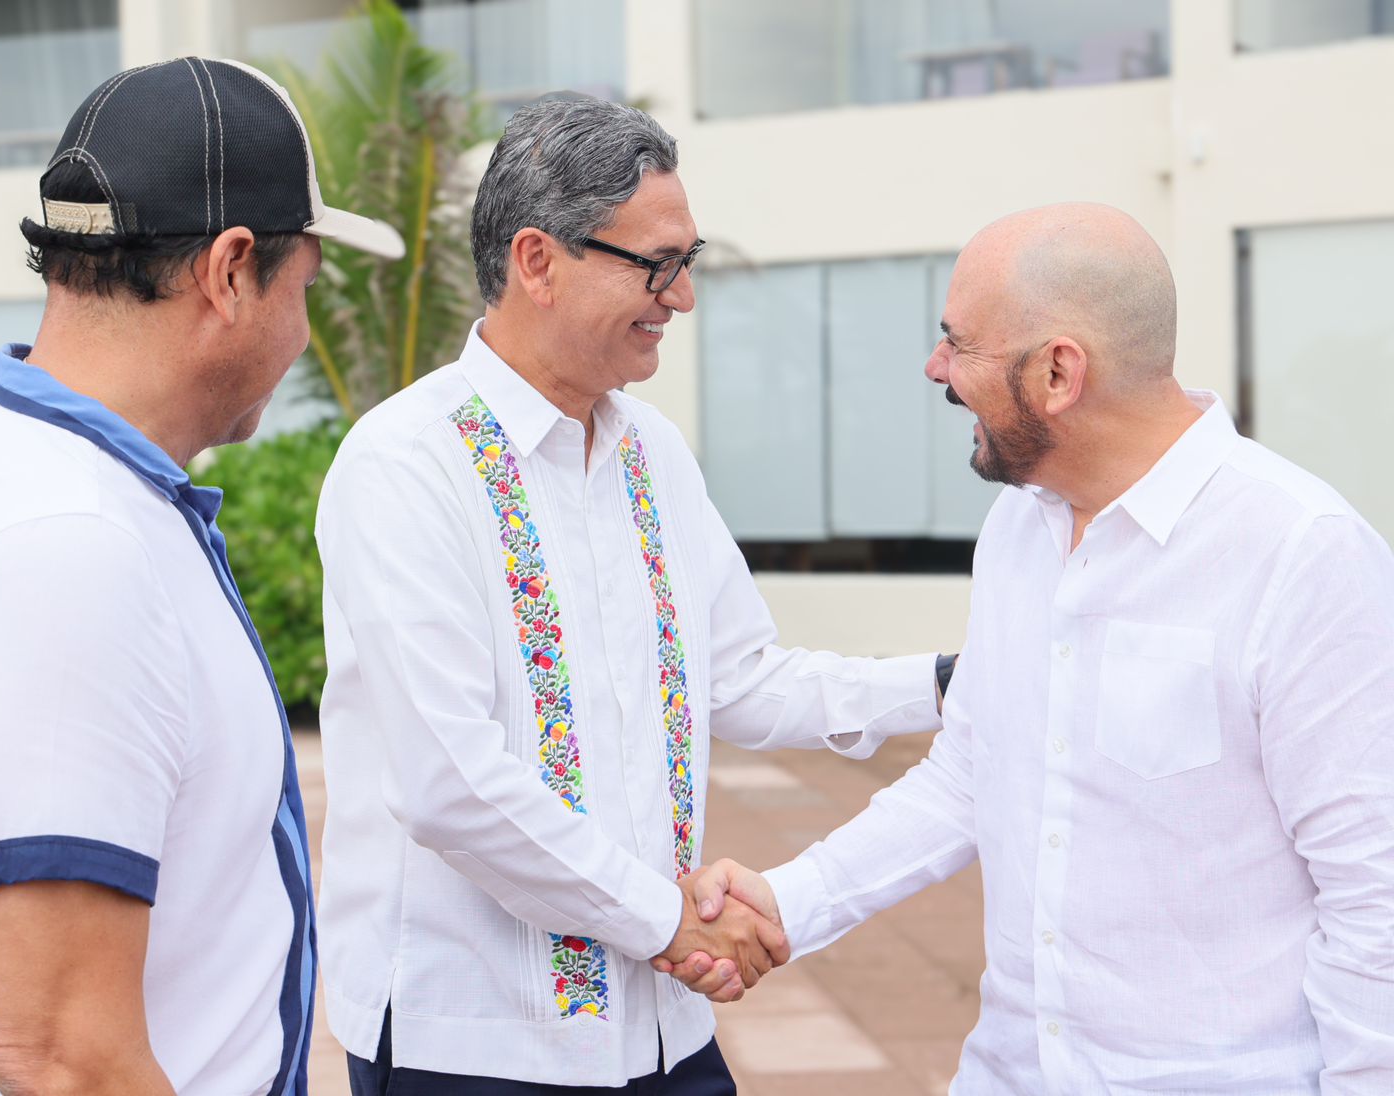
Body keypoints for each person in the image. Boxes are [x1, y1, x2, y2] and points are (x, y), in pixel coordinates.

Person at [665, 203, 1394, 1093]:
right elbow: (972, 771)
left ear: (1058, 371)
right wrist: (786, 903)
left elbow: (1377, 896)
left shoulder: (1301, 554)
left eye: (957, 343)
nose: (935, 369)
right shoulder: (1019, 526)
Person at [311, 95, 955, 1094]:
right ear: (538, 260)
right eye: (658, 264)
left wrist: (950, 684)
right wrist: (672, 921)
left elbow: (741, 677)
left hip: (661, 1031)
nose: (682, 297)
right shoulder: (406, 463)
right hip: (476, 1040)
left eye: (686, 261)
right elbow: (452, 780)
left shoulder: (650, 452)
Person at [0, 58, 403, 1095]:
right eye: (304, 290)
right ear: (231, 270)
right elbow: (66, 1059)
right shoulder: (62, 546)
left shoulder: (59, 486)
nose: (300, 332)